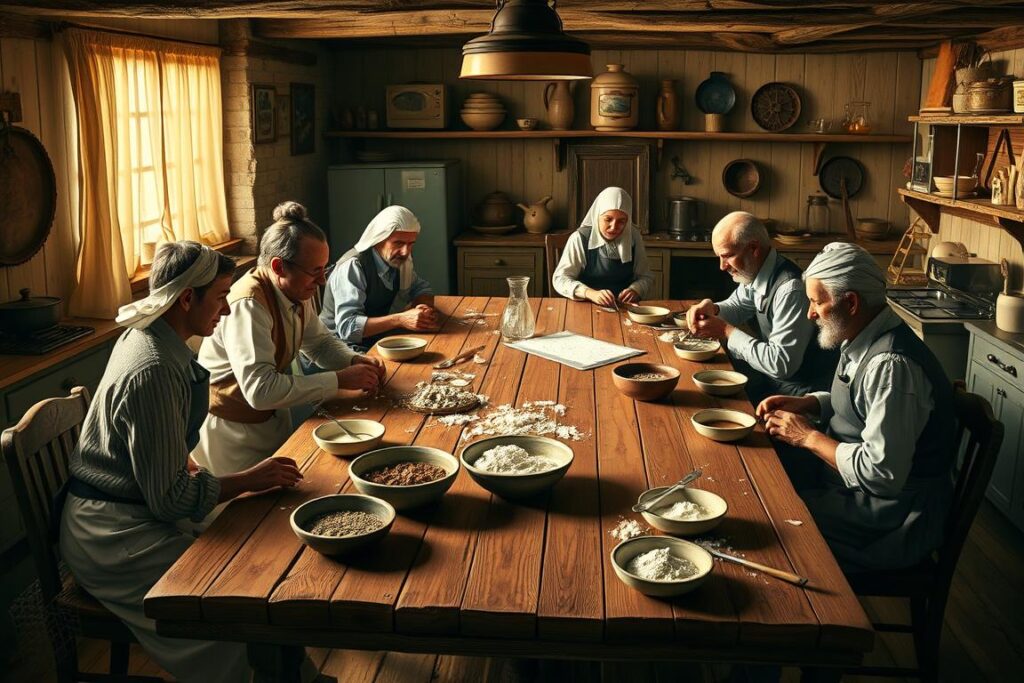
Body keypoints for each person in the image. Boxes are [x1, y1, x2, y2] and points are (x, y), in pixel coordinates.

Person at [59, 241, 310, 683]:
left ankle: (296, 675)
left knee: (256, 561)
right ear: (186, 298)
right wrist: (249, 479)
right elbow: (171, 499)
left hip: (132, 511)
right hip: (112, 535)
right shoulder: (152, 369)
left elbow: (158, 458)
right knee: (228, 603)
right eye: (219, 298)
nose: (227, 311)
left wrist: (190, 466)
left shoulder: (154, 337)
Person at [756, 242, 956, 572]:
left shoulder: (892, 367)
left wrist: (807, 438)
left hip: (891, 518)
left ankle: (812, 615)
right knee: (765, 475)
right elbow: (861, 408)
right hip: (855, 492)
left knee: (772, 513)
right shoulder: (861, 336)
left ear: (850, 303)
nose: (809, 313)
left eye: (816, 302)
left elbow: (882, 475)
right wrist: (810, 404)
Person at [192, 202, 384, 476]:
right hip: (234, 436)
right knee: (246, 515)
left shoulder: (294, 288)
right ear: (278, 266)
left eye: (323, 269)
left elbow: (318, 343)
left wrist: (355, 360)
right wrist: (340, 379)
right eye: (314, 271)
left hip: (271, 421)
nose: (321, 281)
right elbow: (260, 391)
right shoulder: (248, 304)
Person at [686, 212, 837, 404]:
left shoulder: (791, 290)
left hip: (801, 396)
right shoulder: (757, 271)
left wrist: (726, 331)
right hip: (772, 382)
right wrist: (713, 309)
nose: (722, 267)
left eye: (727, 256)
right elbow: (738, 305)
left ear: (754, 248)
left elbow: (781, 364)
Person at [321, 205, 437, 349]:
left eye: (410, 244)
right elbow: (348, 328)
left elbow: (420, 288)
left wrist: (422, 308)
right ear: (379, 239)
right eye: (398, 243)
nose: (405, 252)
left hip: (375, 342)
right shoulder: (353, 267)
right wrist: (400, 319)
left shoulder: (400, 262)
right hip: (338, 350)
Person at [552, 187, 654, 306]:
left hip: (624, 308)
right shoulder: (580, 238)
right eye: (608, 219)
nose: (613, 227)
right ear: (597, 215)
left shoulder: (634, 237)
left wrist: (636, 289)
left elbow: (647, 277)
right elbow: (560, 279)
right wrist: (590, 293)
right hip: (586, 307)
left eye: (621, 221)